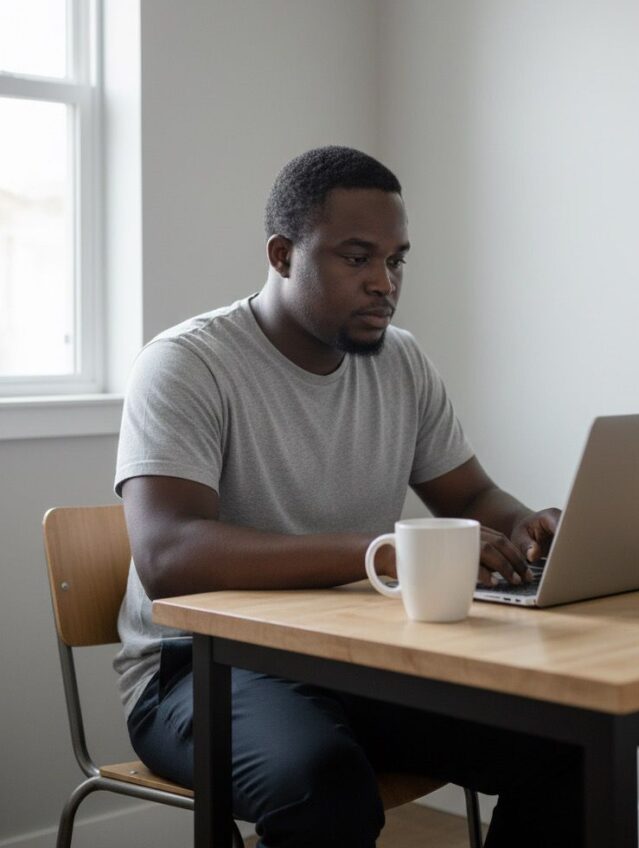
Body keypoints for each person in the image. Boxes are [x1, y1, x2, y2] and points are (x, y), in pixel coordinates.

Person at [115, 145, 583, 846]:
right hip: (199, 668)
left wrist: (530, 526)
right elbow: (169, 556)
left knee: (570, 747)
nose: (383, 284)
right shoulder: (188, 364)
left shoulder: (402, 361)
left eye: (395, 260)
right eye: (356, 257)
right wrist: (381, 552)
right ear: (281, 255)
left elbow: (475, 492)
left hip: (357, 657)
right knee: (322, 786)